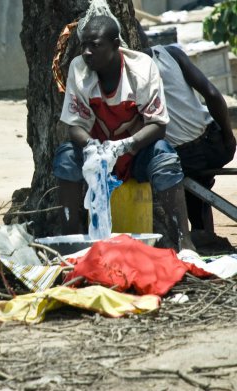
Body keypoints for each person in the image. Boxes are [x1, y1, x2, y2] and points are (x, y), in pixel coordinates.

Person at [53, 15, 196, 251]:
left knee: (164, 157)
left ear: (115, 45)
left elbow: (158, 125)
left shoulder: (141, 69)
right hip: (97, 157)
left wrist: (124, 146)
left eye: (95, 45)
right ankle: (72, 243)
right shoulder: (79, 69)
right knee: (66, 156)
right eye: (84, 45)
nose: (87, 52)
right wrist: (92, 147)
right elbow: (74, 126)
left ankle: (185, 242)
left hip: (136, 155)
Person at [138, 29, 236, 236]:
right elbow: (212, 94)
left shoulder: (129, 73)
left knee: (170, 175)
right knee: (199, 190)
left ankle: (201, 236)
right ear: (147, 38)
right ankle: (207, 235)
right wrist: (229, 136)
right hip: (216, 144)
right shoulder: (171, 53)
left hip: (184, 156)